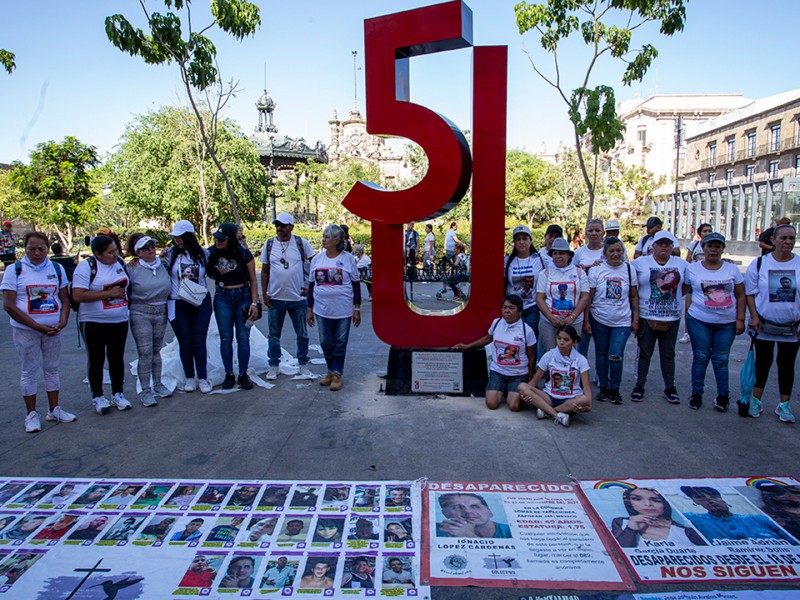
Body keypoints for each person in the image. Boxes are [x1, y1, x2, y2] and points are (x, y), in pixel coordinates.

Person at [1, 231, 75, 432]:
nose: (36, 253)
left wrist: (63, 321)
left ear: (48, 249)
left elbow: (65, 299)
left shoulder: (57, 269)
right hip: (26, 330)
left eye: (41, 249)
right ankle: (31, 414)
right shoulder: (14, 270)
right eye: (31, 249)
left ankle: (54, 409)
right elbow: (8, 305)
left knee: (52, 368)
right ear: (24, 249)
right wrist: (35, 326)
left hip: (53, 330)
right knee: (29, 371)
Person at [72, 234, 133, 415]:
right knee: (97, 359)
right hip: (93, 322)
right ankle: (98, 396)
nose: (115, 255)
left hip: (119, 320)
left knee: (117, 358)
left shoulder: (120, 263)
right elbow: (78, 295)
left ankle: (118, 394)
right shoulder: (86, 268)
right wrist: (108, 294)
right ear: (98, 254)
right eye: (110, 252)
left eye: (115, 250)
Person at [684, 233, 745, 412]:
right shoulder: (693, 269)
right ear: (703, 247)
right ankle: (696, 394)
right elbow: (686, 291)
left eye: (718, 246)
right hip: (699, 320)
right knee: (701, 357)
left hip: (726, 323)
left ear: (722, 249)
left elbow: (741, 295)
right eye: (710, 246)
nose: (713, 249)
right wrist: (686, 316)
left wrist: (740, 319)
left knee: (720, 359)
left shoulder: (731, 269)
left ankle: (723, 396)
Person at [745, 223, 800, 422]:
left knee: (786, 365)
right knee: (763, 363)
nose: (787, 242)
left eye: (791, 238)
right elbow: (750, 293)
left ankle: (784, 405)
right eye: (783, 238)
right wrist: (754, 317)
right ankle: (755, 401)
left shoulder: (799, 264)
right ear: (773, 240)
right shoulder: (760, 264)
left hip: (792, 327)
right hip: (764, 325)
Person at [630, 230, 689, 404]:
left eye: (667, 244)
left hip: (671, 317)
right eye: (660, 243)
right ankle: (639, 386)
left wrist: (674, 299)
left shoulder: (682, 265)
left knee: (668, 354)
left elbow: (686, 286)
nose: (664, 247)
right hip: (647, 316)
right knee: (644, 353)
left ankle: (670, 387)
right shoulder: (640, 263)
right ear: (652, 246)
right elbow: (631, 286)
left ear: (672, 247)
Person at [454, 295, 536, 411]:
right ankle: (505, 390)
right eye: (504, 307)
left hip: (518, 375)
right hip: (498, 372)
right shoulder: (497, 323)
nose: (507, 311)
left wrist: (529, 378)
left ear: (520, 311)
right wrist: (468, 346)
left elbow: (531, 356)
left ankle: (512, 392)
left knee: (514, 406)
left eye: (511, 308)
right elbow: (488, 338)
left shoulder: (527, 330)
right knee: (491, 404)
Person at [260, 212, 315, 381]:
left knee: (302, 334)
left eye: (283, 225)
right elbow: (265, 270)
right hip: (276, 298)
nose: (279, 229)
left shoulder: (301, 243)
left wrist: (308, 287)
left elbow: (315, 264)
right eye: (277, 225)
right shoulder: (269, 245)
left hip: (297, 299)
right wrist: (265, 293)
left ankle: (303, 364)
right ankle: (274, 365)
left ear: (291, 227)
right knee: (273, 334)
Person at [307, 224, 361, 391]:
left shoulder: (348, 259)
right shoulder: (317, 260)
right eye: (323, 236)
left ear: (337, 240)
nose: (324, 239)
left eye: (327, 237)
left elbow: (356, 285)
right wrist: (309, 309)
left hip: (343, 310)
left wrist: (356, 309)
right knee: (325, 342)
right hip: (322, 310)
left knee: (340, 342)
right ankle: (330, 370)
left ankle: (337, 373)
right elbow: (311, 286)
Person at [587, 237, 639, 404]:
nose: (616, 254)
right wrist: (586, 320)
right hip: (599, 318)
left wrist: (636, 318)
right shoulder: (596, 270)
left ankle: (615, 388)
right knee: (601, 354)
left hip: (622, 320)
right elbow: (590, 296)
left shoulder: (630, 270)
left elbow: (634, 296)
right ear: (605, 253)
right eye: (612, 251)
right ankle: (604, 387)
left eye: (619, 250)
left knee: (615, 355)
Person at [207, 222, 259, 390]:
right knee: (226, 337)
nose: (218, 241)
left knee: (243, 337)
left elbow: (253, 280)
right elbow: (192, 255)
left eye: (222, 239)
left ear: (230, 239)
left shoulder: (244, 253)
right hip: (223, 297)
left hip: (243, 296)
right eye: (216, 238)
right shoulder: (211, 252)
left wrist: (254, 303)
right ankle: (229, 373)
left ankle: (243, 374)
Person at [166, 220, 213, 393]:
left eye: (180, 237)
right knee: (185, 341)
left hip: (200, 301)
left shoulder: (203, 254)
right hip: (177, 302)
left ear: (189, 237)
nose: (177, 240)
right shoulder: (169, 254)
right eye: (175, 237)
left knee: (199, 340)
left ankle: (202, 377)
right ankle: (189, 377)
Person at [126, 234, 172, 407]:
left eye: (152, 246)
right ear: (138, 252)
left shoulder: (164, 264)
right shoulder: (131, 268)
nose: (151, 250)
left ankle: (158, 383)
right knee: (144, 352)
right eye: (146, 248)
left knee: (156, 350)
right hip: (140, 311)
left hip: (161, 310)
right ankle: (145, 390)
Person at [518, 325, 592, 427]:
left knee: (583, 399)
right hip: (549, 397)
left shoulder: (581, 360)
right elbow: (534, 381)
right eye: (559, 338)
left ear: (574, 342)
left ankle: (546, 411)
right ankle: (556, 414)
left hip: (570, 400)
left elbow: (587, 388)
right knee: (522, 386)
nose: (561, 342)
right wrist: (525, 394)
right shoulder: (549, 355)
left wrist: (588, 405)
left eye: (566, 340)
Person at [680, 486, 797, 543]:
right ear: (695, 502)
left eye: (713, 496)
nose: (708, 500)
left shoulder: (759, 519)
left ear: (722, 499)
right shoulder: (694, 519)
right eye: (699, 497)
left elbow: (792, 540)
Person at [535, 238, 590, 357]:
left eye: (562, 253)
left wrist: (573, 316)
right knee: (550, 354)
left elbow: (585, 297)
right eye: (555, 253)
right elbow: (540, 298)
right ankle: (551, 376)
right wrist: (551, 318)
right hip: (549, 322)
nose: (558, 256)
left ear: (569, 255)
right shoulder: (545, 273)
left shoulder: (580, 273)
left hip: (574, 322)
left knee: (569, 354)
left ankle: (570, 376)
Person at [611, 487, 706, 548]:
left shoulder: (685, 531)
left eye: (656, 500)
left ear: (665, 504)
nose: (648, 504)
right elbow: (618, 555)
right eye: (637, 499)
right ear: (629, 502)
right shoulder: (621, 522)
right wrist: (631, 530)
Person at [504, 225, 546, 335]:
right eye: (518, 239)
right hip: (514, 308)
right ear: (514, 242)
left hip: (533, 307)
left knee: (531, 339)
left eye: (525, 238)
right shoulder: (508, 261)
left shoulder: (540, 259)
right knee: (516, 339)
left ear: (530, 240)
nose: (522, 242)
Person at [573, 219, 606, 356]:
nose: (594, 233)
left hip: (603, 302)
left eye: (597, 230)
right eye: (590, 230)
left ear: (603, 232)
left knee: (602, 345)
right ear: (585, 233)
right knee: (582, 341)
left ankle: (601, 375)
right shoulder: (579, 253)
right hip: (583, 300)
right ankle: (580, 374)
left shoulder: (609, 251)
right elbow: (572, 273)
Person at [436, 493, 511, 538]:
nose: (467, 511)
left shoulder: (509, 531)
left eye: (475, 506)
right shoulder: (434, 530)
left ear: (489, 512)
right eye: (457, 507)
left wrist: (470, 536)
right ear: (445, 513)